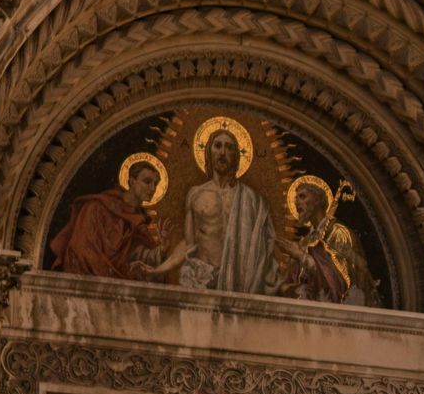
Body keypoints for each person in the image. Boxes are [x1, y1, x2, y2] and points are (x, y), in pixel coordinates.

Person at [150, 121, 279, 293]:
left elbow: (266, 247)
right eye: (217, 146)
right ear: (208, 151)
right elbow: (189, 244)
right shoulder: (196, 194)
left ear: (236, 156)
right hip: (201, 277)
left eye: (229, 148)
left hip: (240, 282)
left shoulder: (252, 200)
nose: (223, 152)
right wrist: (158, 269)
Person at [48, 152, 165, 280]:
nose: (153, 188)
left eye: (156, 183)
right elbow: (82, 249)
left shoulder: (140, 223)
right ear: (132, 181)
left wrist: (163, 249)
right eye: (147, 182)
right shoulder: (98, 207)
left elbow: (141, 259)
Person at [283, 175, 374, 305]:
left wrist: (302, 257)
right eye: (295, 198)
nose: (296, 202)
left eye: (302, 197)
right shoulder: (305, 241)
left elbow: (342, 281)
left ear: (317, 200)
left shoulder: (337, 232)